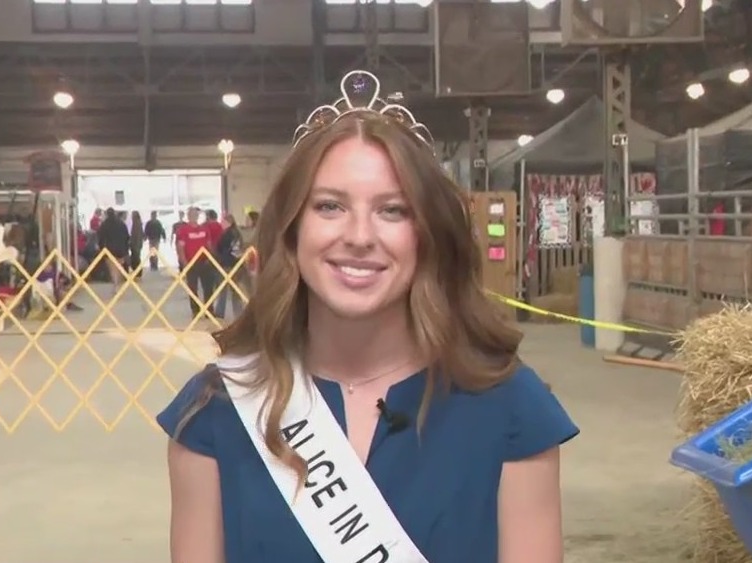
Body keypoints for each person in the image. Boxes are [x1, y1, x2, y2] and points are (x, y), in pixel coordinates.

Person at [157, 70, 578, 563]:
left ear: (428, 235)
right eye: (330, 206)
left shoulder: (509, 408)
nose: (359, 235)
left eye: (393, 210)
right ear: (292, 230)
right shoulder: (215, 412)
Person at [175, 207, 216, 318]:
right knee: (193, 288)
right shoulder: (183, 230)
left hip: (205, 262)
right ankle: (195, 310)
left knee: (208, 287)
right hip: (191, 263)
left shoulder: (204, 229)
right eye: (192, 215)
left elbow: (209, 244)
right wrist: (185, 263)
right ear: (188, 216)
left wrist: (211, 258)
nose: (194, 216)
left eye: (196, 214)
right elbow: (180, 247)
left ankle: (209, 310)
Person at [212, 213, 245, 320]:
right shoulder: (237, 234)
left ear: (228, 222)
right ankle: (239, 313)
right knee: (235, 291)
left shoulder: (226, 235)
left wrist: (218, 259)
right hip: (237, 264)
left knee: (222, 290)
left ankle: (219, 313)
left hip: (226, 264)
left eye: (223, 221)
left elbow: (222, 249)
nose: (221, 223)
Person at [96, 207, 129, 292]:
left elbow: (100, 237)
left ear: (107, 214)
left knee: (112, 268)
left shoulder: (104, 224)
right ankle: (117, 284)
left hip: (109, 250)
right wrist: (126, 249)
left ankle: (115, 284)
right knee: (119, 267)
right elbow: (126, 237)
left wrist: (101, 248)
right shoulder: (121, 223)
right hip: (121, 250)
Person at [129, 210, 145, 277]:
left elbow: (137, 235)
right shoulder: (137, 223)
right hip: (136, 244)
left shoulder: (136, 224)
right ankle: (137, 271)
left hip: (136, 244)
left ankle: (138, 271)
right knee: (136, 258)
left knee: (136, 258)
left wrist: (135, 244)